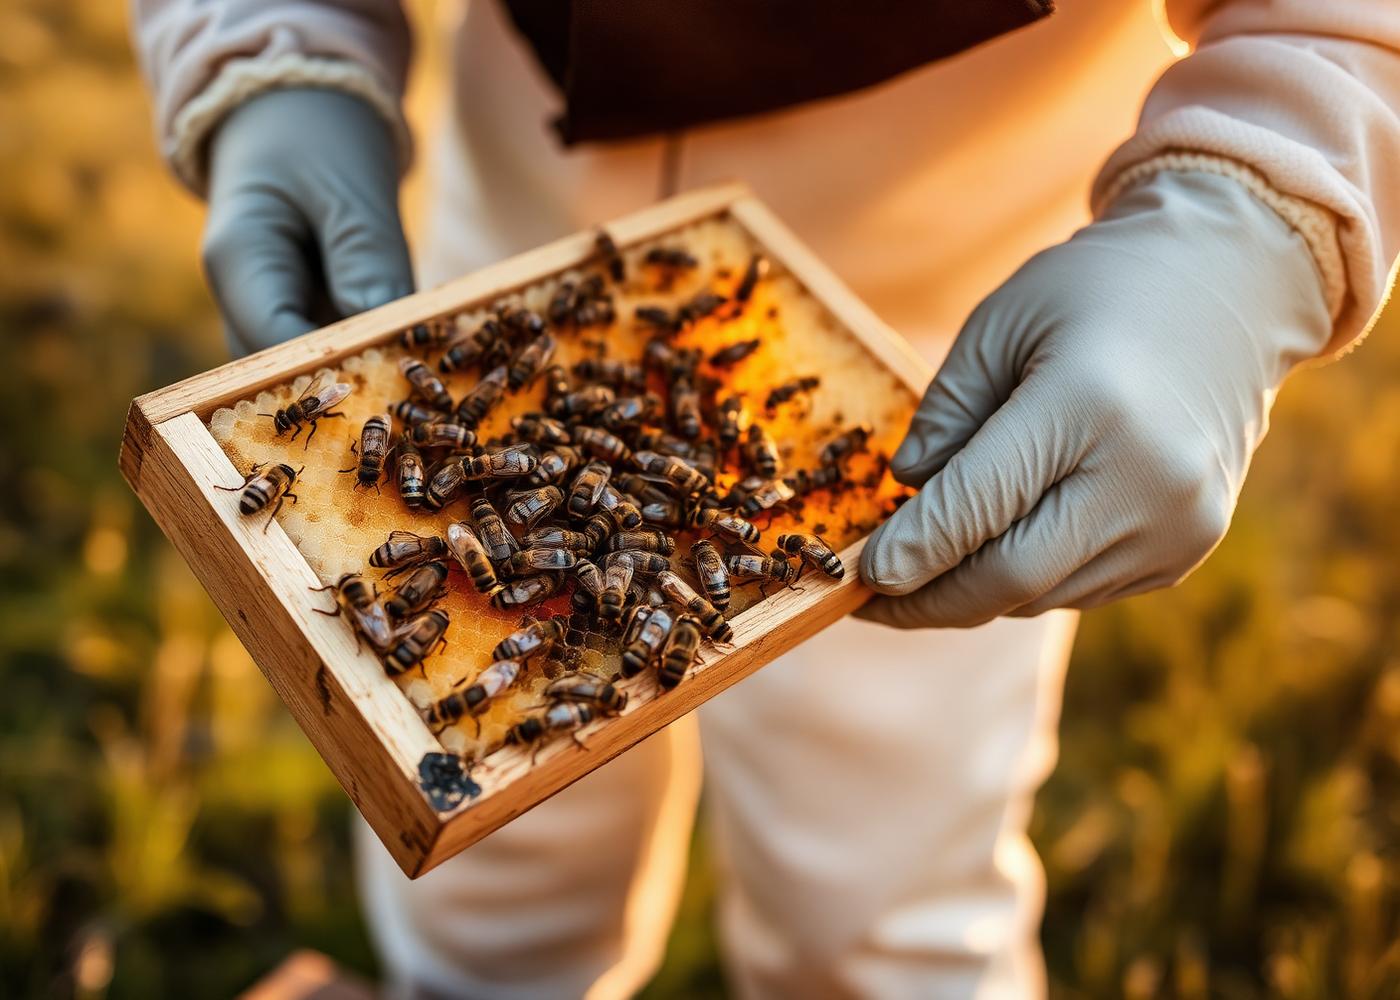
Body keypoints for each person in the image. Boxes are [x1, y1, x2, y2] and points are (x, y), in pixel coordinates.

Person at [131, 1, 1400, 996]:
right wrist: (272, 49)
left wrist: (1248, 220)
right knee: (484, 843)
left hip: (927, 359)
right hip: (517, 269)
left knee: (878, 894)